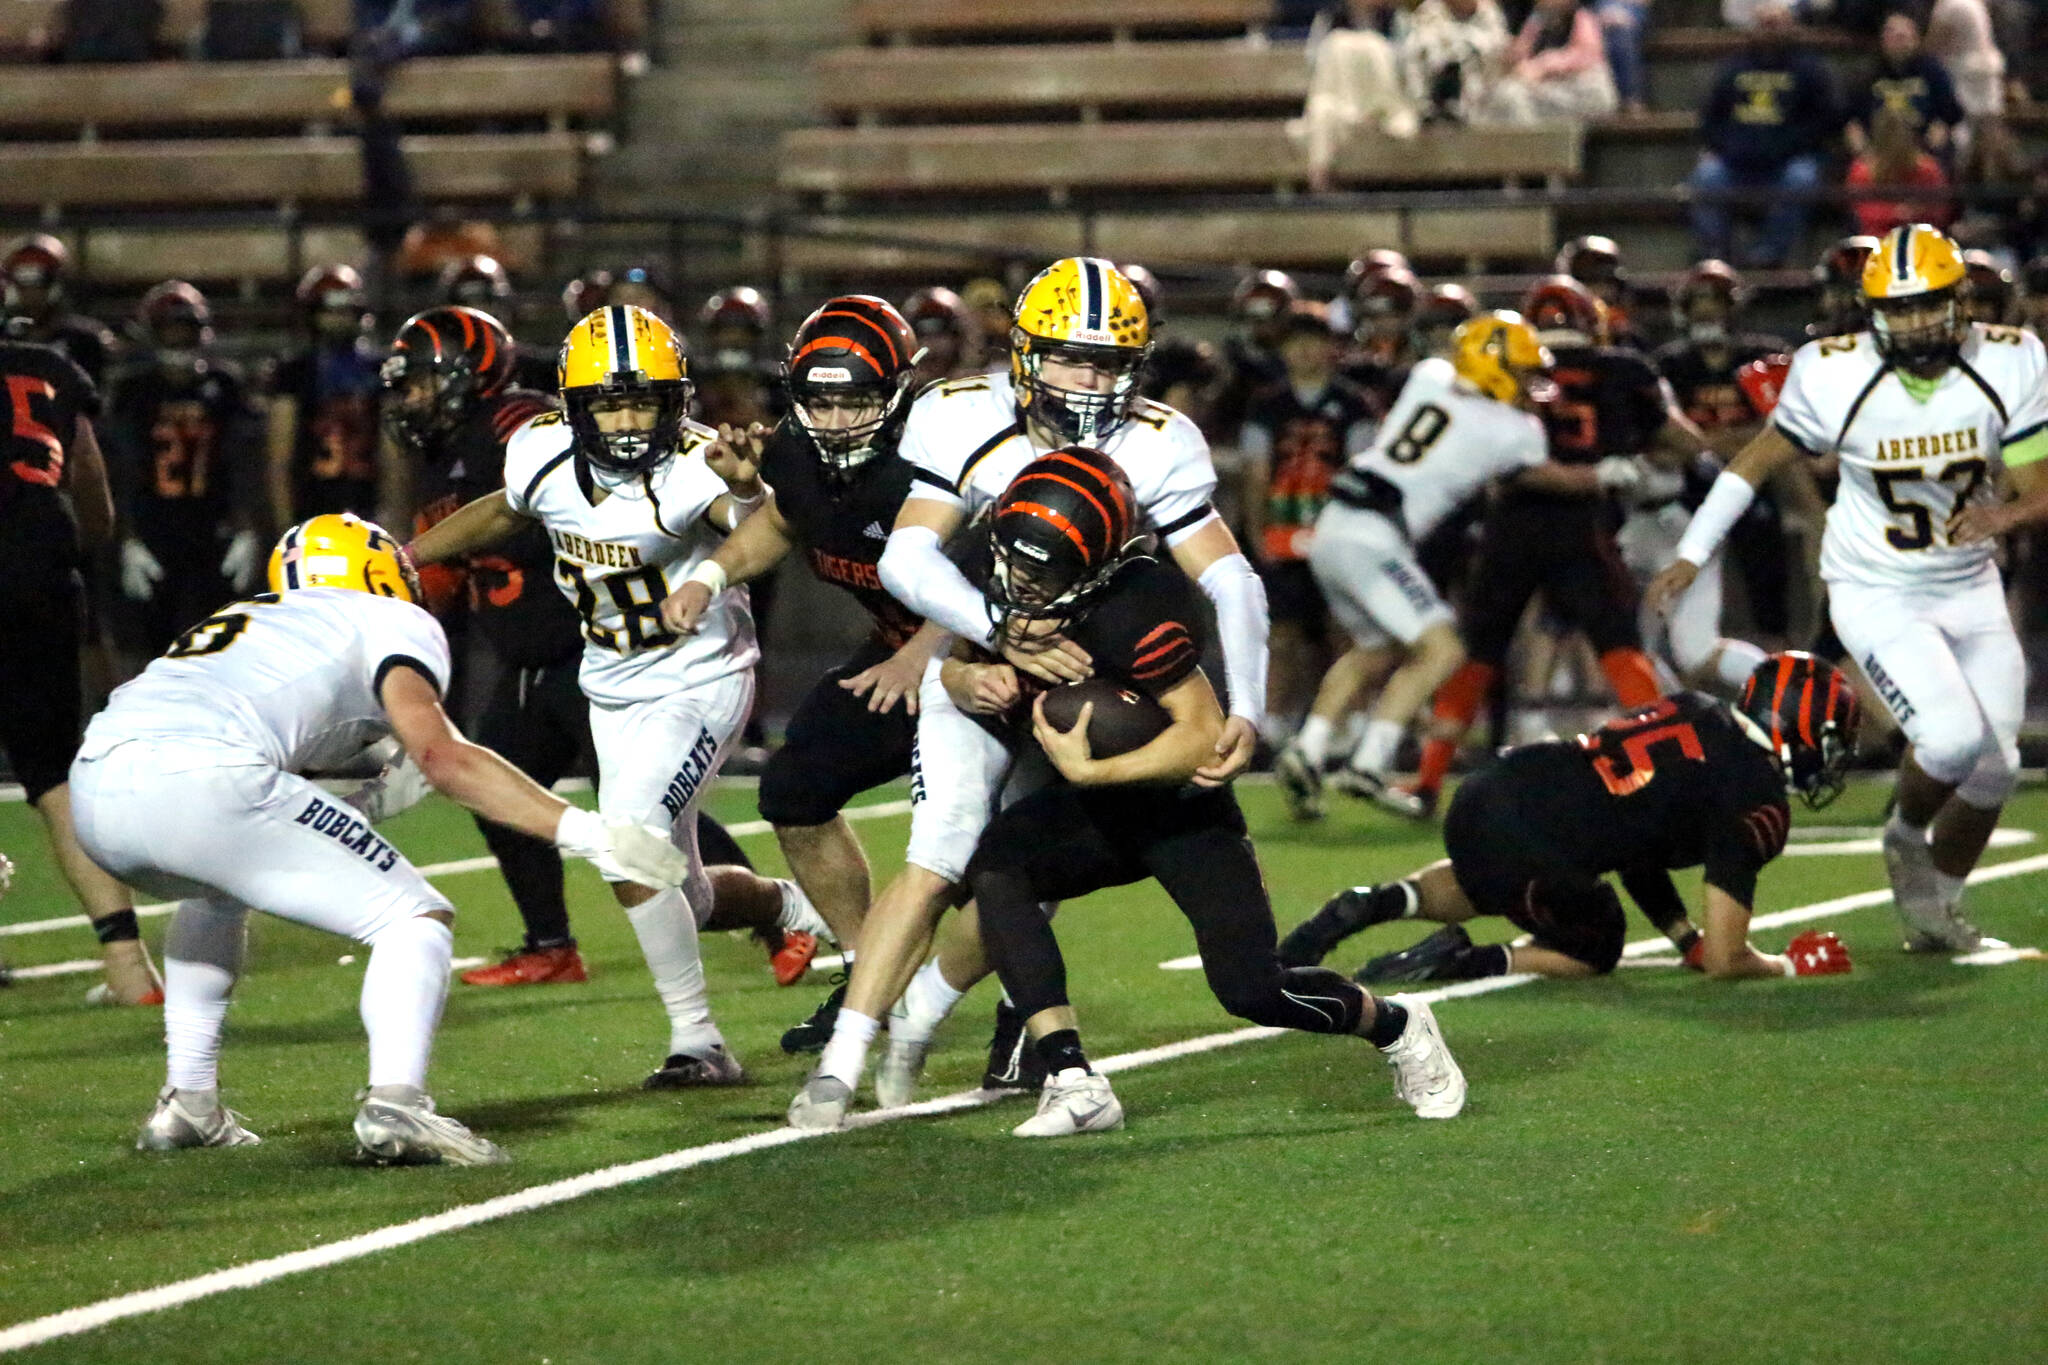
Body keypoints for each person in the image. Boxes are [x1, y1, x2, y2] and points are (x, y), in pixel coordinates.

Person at [783, 259, 1274, 1128]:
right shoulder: (957, 415)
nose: (1092, 382)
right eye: (1072, 359)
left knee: (1017, 874)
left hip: (1089, 677)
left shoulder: (1159, 438)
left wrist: (1248, 704)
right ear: (1023, 353)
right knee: (938, 857)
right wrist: (991, 634)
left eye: (1110, 362)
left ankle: (926, 1012)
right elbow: (906, 560)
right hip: (979, 660)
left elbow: (1231, 579)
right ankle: (842, 1057)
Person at [68, 512, 695, 1163]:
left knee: (217, 892)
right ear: (380, 571)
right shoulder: (393, 619)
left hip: (95, 788)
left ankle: (188, 1103)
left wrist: (361, 801)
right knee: (413, 917)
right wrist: (587, 830)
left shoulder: (251, 617)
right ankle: (397, 1104)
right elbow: (443, 756)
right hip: (203, 779)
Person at [947, 449, 1467, 1134]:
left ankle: (1399, 1026)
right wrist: (972, 680)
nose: (1016, 578)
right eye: (1010, 558)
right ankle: (1072, 1076)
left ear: (1096, 565)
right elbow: (955, 659)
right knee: (999, 865)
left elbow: (1202, 736)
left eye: (1039, 569)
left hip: (1179, 807)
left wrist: (1093, 771)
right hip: (1096, 809)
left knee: (1251, 988)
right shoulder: (994, 550)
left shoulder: (1141, 600)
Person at [1649, 223, 2048, 953]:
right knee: (1952, 739)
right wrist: (1693, 549)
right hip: (1875, 585)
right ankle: (1902, 836)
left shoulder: (2013, 359)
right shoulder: (1834, 370)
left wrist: (2007, 512)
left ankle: (1936, 911)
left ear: (1960, 300)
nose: (1914, 323)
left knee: (1997, 766)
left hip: (1968, 581)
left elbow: (2038, 484)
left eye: (1929, 304)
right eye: (1897, 309)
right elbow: (1755, 459)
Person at [406, 303, 765, 1085]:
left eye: (645, 401)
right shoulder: (539, 452)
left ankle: (697, 1039)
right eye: (612, 402)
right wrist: (408, 558)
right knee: (685, 891)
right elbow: (505, 508)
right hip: (609, 682)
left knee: (629, 838)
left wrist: (745, 496)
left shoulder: (698, 465)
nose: (631, 420)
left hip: (701, 678)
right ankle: (788, 910)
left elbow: (753, 525)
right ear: (574, 407)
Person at [661, 296, 948, 1046]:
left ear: (897, 391)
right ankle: (867, 974)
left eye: (856, 399)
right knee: (795, 790)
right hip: (898, 650)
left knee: (983, 845)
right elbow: (784, 521)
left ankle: (1028, 1013)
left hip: (994, 657)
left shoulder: (939, 456)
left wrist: (926, 651)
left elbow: (1002, 571)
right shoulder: (797, 451)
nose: (836, 419)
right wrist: (712, 576)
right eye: (820, 400)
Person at [1281, 311, 1660, 821]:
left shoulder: (1429, 378)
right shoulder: (1514, 429)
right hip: (1376, 537)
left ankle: (1308, 749)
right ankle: (1369, 762)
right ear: (1496, 368)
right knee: (1443, 649)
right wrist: (1603, 474)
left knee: (1375, 650)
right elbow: (1545, 476)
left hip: (1333, 527)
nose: (1532, 385)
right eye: (1524, 372)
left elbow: (1446, 372)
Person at [1281, 653, 1858, 986]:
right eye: (1831, 741)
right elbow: (1729, 961)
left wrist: (1684, 937)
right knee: (1598, 943)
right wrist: (1785, 965)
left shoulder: (1695, 706)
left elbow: (1641, 843)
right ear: (1799, 730)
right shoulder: (1755, 795)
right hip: (1538, 843)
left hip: (1494, 787)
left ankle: (1366, 903)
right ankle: (1467, 961)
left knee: (1489, 877)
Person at [1403, 276, 1694, 816]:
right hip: (1581, 522)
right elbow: (1685, 442)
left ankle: (1427, 779)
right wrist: (1634, 457)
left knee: (1478, 649)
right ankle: (1671, 768)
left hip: (1508, 524)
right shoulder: (1621, 368)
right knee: (1617, 639)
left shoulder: (1512, 365)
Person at [0, 332, 164, 1007]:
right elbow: (92, 488)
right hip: (41, 565)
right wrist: (70, 547)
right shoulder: (47, 366)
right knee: (54, 773)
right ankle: (130, 966)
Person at [102, 281, 265, 672]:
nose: (177, 338)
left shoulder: (225, 385)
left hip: (211, 529)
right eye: (168, 328)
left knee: (218, 648)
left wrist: (247, 527)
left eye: (184, 328)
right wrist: (126, 537)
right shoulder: (132, 390)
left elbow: (242, 461)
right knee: (152, 651)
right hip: (153, 527)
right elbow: (121, 465)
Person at [1643, 259, 1789, 692]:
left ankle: (1785, 690)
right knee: (1680, 628)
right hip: (1687, 501)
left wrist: (1706, 439)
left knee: (1770, 599)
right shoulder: (1668, 364)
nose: (1708, 315)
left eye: (1716, 304)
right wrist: (1738, 437)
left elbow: (1785, 432)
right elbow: (1661, 438)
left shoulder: (1763, 358)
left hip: (1759, 491)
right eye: (1699, 305)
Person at [1241, 302, 1378, 749]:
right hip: (1281, 535)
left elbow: (1361, 470)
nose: (1305, 352)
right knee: (1282, 633)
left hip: (1334, 534)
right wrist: (1257, 533)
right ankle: (1277, 719)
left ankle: (1348, 719)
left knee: (1343, 629)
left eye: (1314, 342)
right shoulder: (1266, 406)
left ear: (1331, 348)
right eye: (1296, 342)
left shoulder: (1355, 404)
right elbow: (1256, 472)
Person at [1687, 3, 1840, 268]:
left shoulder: (1809, 68)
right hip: (1736, 162)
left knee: (1801, 178)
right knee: (1705, 178)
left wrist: (1785, 145)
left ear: (1790, 25)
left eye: (1777, 22)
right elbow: (1711, 118)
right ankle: (1716, 257)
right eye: (1765, 23)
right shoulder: (1732, 67)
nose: (1770, 29)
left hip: (1789, 161)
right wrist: (1728, 146)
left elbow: (1825, 120)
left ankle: (1769, 254)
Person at [264, 264, 391, 528]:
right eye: (329, 311)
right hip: (312, 509)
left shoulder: (380, 370)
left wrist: (395, 516)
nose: (338, 319)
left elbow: (393, 456)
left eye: (344, 311)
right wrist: (285, 525)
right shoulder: (295, 371)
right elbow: (280, 459)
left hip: (368, 505)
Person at [1289, 0, 1421, 192]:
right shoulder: (1329, 19)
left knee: (1372, 44)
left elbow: (1406, 60)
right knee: (1321, 108)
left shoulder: (1396, 19)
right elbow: (1314, 61)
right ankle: (1322, 183)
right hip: (1340, 98)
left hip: (1382, 101)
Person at [0, 234, 119, 387]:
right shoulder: (4, 335)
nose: (31, 292)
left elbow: (97, 396)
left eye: (40, 280)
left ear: (56, 282)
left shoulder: (85, 339)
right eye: (22, 280)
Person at [1845, 13, 1966, 162]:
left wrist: (1942, 128)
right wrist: (1860, 146)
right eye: (1891, 34)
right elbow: (1851, 118)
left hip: (1923, 150)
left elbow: (1952, 113)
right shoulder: (1867, 73)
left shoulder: (1932, 71)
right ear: (1882, 39)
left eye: (1903, 36)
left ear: (1916, 40)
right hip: (1875, 152)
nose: (1898, 40)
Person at [1478, 0, 1617, 127]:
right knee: (1508, 93)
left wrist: (1544, 64)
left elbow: (1587, 55)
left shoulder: (1581, 17)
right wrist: (1513, 58)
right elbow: (1521, 54)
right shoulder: (1536, 19)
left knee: (1600, 88)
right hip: (1544, 90)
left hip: (1576, 88)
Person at [1400, 0, 1510, 126]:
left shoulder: (1488, 12)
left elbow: (1497, 49)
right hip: (1431, 90)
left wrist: (1463, 41)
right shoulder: (1430, 10)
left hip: (1481, 95)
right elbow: (1418, 48)